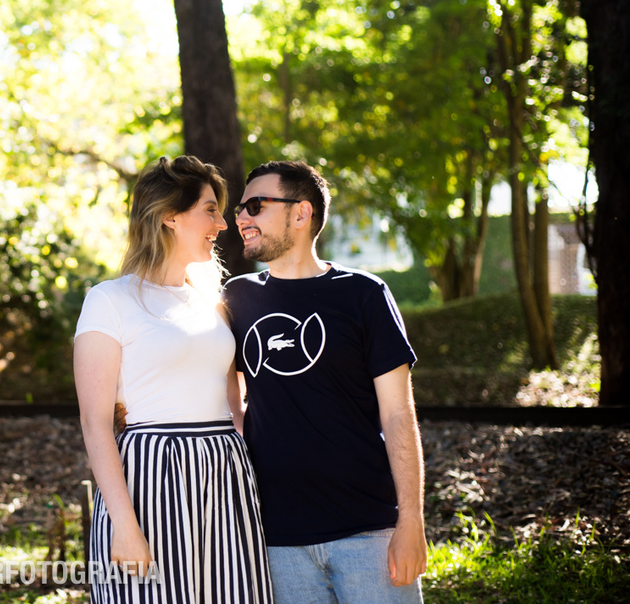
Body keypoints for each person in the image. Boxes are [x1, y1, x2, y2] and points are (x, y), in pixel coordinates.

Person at [223, 160, 427, 604]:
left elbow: (398, 414)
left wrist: (411, 521)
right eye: (239, 209)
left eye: (255, 206)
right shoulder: (236, 298)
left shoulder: (364, 293)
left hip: (367, 531)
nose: (240, 218)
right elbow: (225, 394)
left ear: (301, 213)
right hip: (275, 539)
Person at [74, 155, 274, 604]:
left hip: (224, 476)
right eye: (210, 210)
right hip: (150, 478)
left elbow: (234, 399)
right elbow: (95, 423)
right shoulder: (110, 300)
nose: (221, 224)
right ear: (170, 216)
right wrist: (125, 525)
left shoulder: (214, 302)